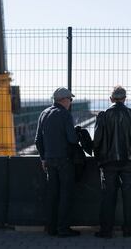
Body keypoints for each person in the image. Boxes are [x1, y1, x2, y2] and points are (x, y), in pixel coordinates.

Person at [93, 85, 131, 238]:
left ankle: (106, 230)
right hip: (129, 163)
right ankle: (129, 229)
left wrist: (100, 159)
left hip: (108, 163)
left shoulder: (103, 115)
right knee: (129, 197)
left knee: (108, 197)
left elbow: (97, 141)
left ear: (111, 99)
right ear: (124, 98)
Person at [35, 87, 80, 238]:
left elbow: (37, 140)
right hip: (64, 161)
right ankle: (63, 229)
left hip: (49, 161)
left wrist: (43, 158)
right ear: (64, 100)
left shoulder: (44, 113)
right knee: (65, 195)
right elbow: (72, 139)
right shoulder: (65, 115)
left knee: (52, 195)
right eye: (70, 99)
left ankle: (51, 228)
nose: (71, 102)